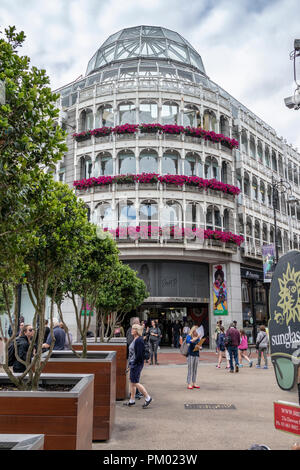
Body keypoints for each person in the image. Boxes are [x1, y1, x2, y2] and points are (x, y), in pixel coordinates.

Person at [123, 324, 152, 408]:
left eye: (133, 329)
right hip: (134, 363)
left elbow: (139, 355)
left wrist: (133, 364)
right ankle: (132, 400)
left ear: (137, 330)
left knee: (135, 382)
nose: (131, 330)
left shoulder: (139, 340)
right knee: (132, 382)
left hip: (136, 364)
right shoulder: (135, 339)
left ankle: (147, 397)